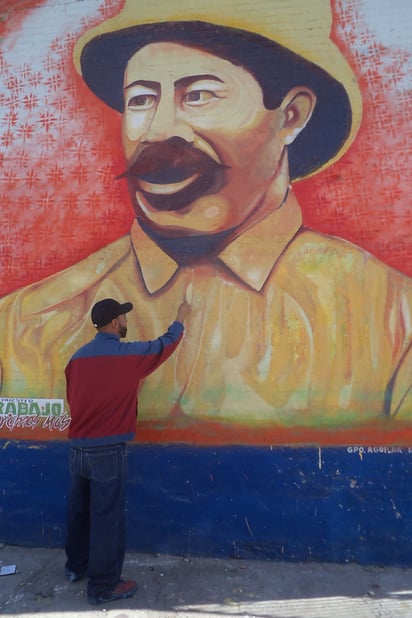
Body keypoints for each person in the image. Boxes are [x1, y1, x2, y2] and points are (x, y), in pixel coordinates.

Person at [0, 0, 411, 439]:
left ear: (290, 116)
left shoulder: (392, 324)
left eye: (197, 94)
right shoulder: (25, 325)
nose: (157, 131)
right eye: (140, 99)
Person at [64, 297, 190, 604]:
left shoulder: (76, 359)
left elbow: (74, 398)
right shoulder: (126, 355)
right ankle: (103, 587)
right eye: (122, 317)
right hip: (107, 450)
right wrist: (180, 319)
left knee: (79, 514)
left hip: (78, 449)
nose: (125, 321)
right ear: (113, 322)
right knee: (107, 520)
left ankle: (75, 567)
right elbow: (164, 345)